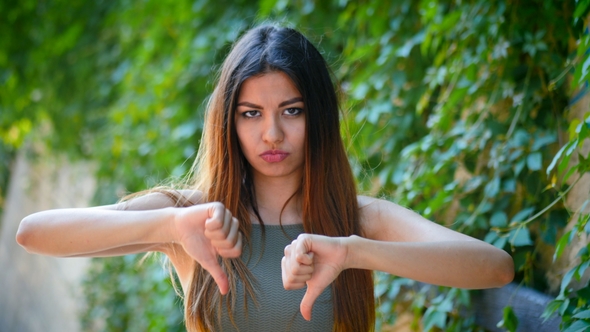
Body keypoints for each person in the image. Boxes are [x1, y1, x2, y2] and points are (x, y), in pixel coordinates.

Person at [16, 24, 514, 332]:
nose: (272, 133)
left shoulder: (357, 219)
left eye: (291, 111)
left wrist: (352, 251)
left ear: (317, 116)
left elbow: (494, 268)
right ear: (228, 122)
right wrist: (169, 226)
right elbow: (34, 232)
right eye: (251, 113)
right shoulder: (194, 216)